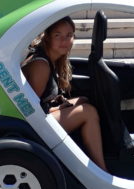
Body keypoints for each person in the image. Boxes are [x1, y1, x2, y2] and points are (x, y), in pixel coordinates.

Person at [22, 16, 108, 172]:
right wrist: (58, 109)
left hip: (41, 116)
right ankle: (101, 171)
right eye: (58, 35)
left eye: (69, 35)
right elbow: (31, 109)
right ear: (47, 37)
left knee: (83, 100)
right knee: (88, 112)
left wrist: (60, 106)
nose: (65, 40)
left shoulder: (51, 59)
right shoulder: (41, 65)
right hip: (31, 127)